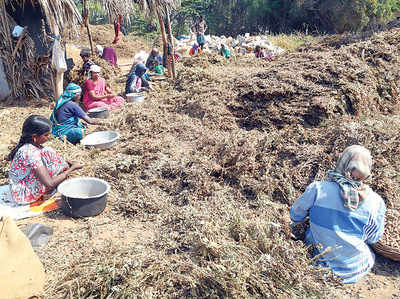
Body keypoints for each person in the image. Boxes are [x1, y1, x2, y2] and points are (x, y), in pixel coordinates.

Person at [290, 145, 386, 284]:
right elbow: (373, 238)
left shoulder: (318, 189)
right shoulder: (376, 202)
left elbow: (295, 216)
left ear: (342, 162)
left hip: (318, 264)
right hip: (353, 270)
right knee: (366, 251)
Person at [8, 115, 83, 205]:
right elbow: (50, 184)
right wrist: (72, 169)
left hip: (22, 185)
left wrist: (67, 162)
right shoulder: (30, 152)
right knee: (52, 163)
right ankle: (48, 193)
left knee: (48, 152)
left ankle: (59, 175)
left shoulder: (31, 144)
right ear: (35, 136)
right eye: (46, 135)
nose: (49, 137)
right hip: (23, 195)